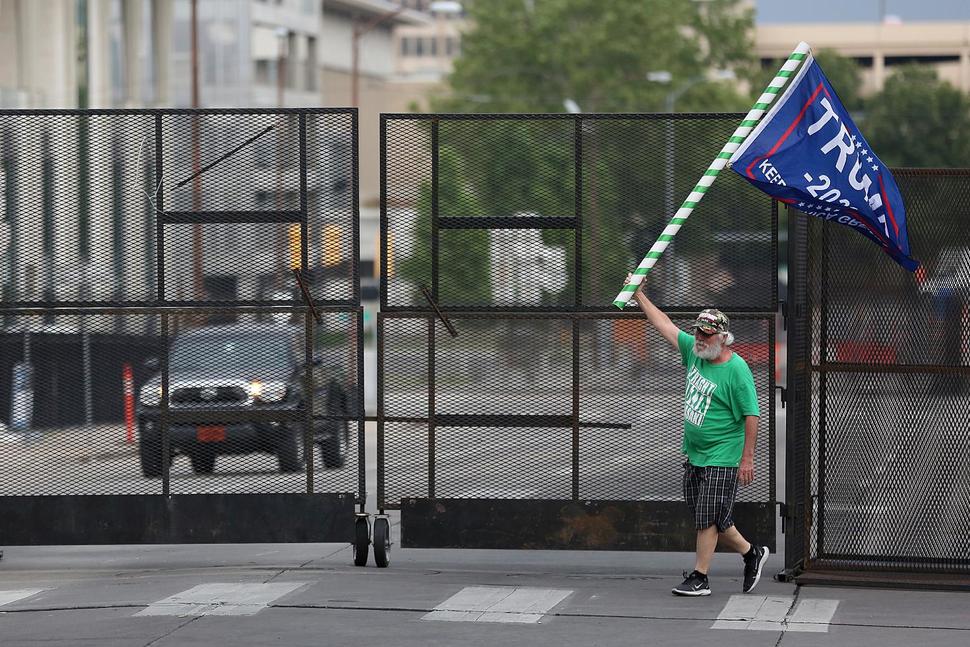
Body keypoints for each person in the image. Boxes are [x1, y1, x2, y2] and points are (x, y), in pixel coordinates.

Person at [626, 274, 769, 597]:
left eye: (707, 335)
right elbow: (664, 325)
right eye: (698, 333)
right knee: (711, 516)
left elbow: (752, 415)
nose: (700, 339)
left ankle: (700, 577)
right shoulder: (693, 352)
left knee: (707, 519)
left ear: (723, 337)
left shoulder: (737, 370)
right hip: (695, 452)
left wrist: (747, 458)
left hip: (724, 453)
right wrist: (640, 297)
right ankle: (752, 553)